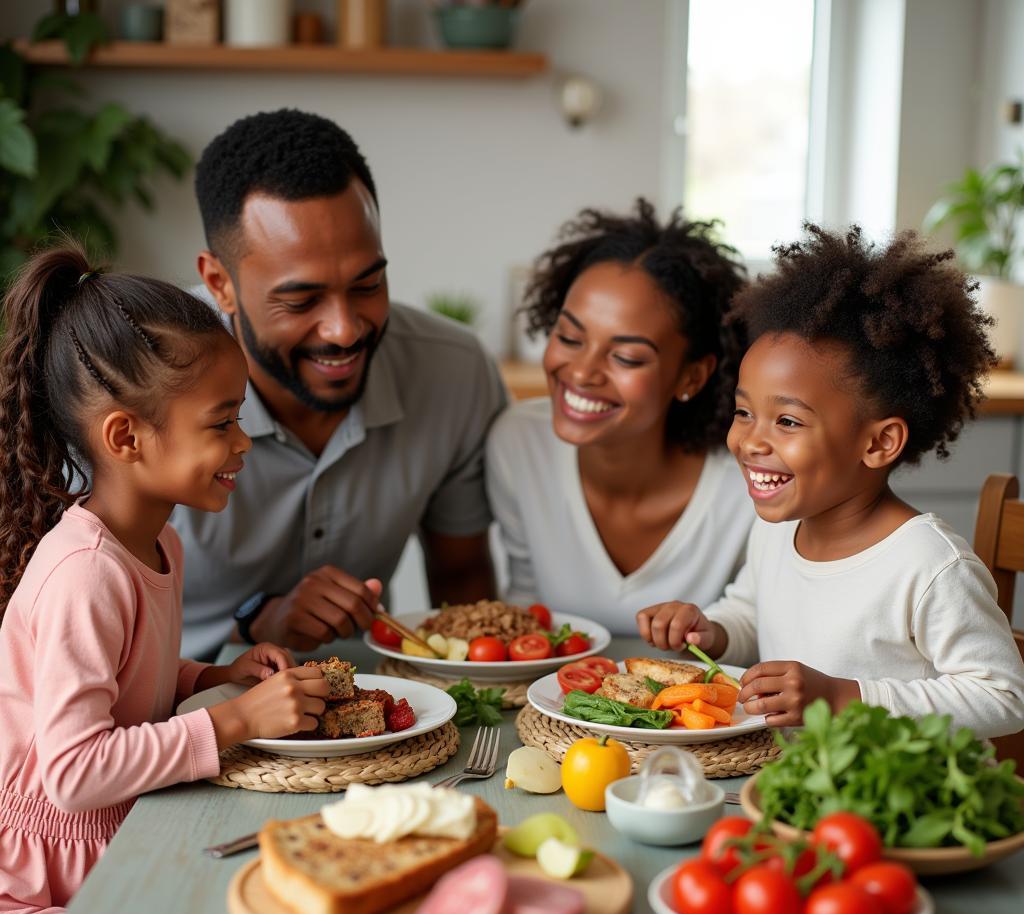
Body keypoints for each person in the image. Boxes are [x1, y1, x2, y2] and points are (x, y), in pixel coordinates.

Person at [0, 245, 331, 914]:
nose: (243, 443)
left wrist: (211, 678)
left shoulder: (158, 541)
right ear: (125, 437)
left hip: (109, 847)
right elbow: (75, 772)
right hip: (29, 890)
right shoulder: (85, 573)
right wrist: (236, 720)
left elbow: (127, 682)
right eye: (221, 423)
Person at [637, 225, 1024, 739]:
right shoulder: (778, 527)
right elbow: (754, 611)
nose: (750, 441)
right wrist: (716, 631)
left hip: (900, 805)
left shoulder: (929, 565)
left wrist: (846, 698)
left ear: (879, 443)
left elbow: (1004, 695)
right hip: (792, 781)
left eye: (788, 422)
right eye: (744, 412)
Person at [178, 109, 507, 660]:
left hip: (371, 709)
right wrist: (258, 622)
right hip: (165, 714)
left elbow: (462, 581)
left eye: (367, 284)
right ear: (220, 284)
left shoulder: (453, 371)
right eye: (301, 300)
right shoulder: (135, 372)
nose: (345, 329)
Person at [486, 200, 754, 633]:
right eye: (570, 337)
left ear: (692, 375)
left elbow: (757, 628)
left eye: (626, 357)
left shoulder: (745, 483)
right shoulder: (519, 443)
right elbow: (525, 618)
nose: (581, 373)